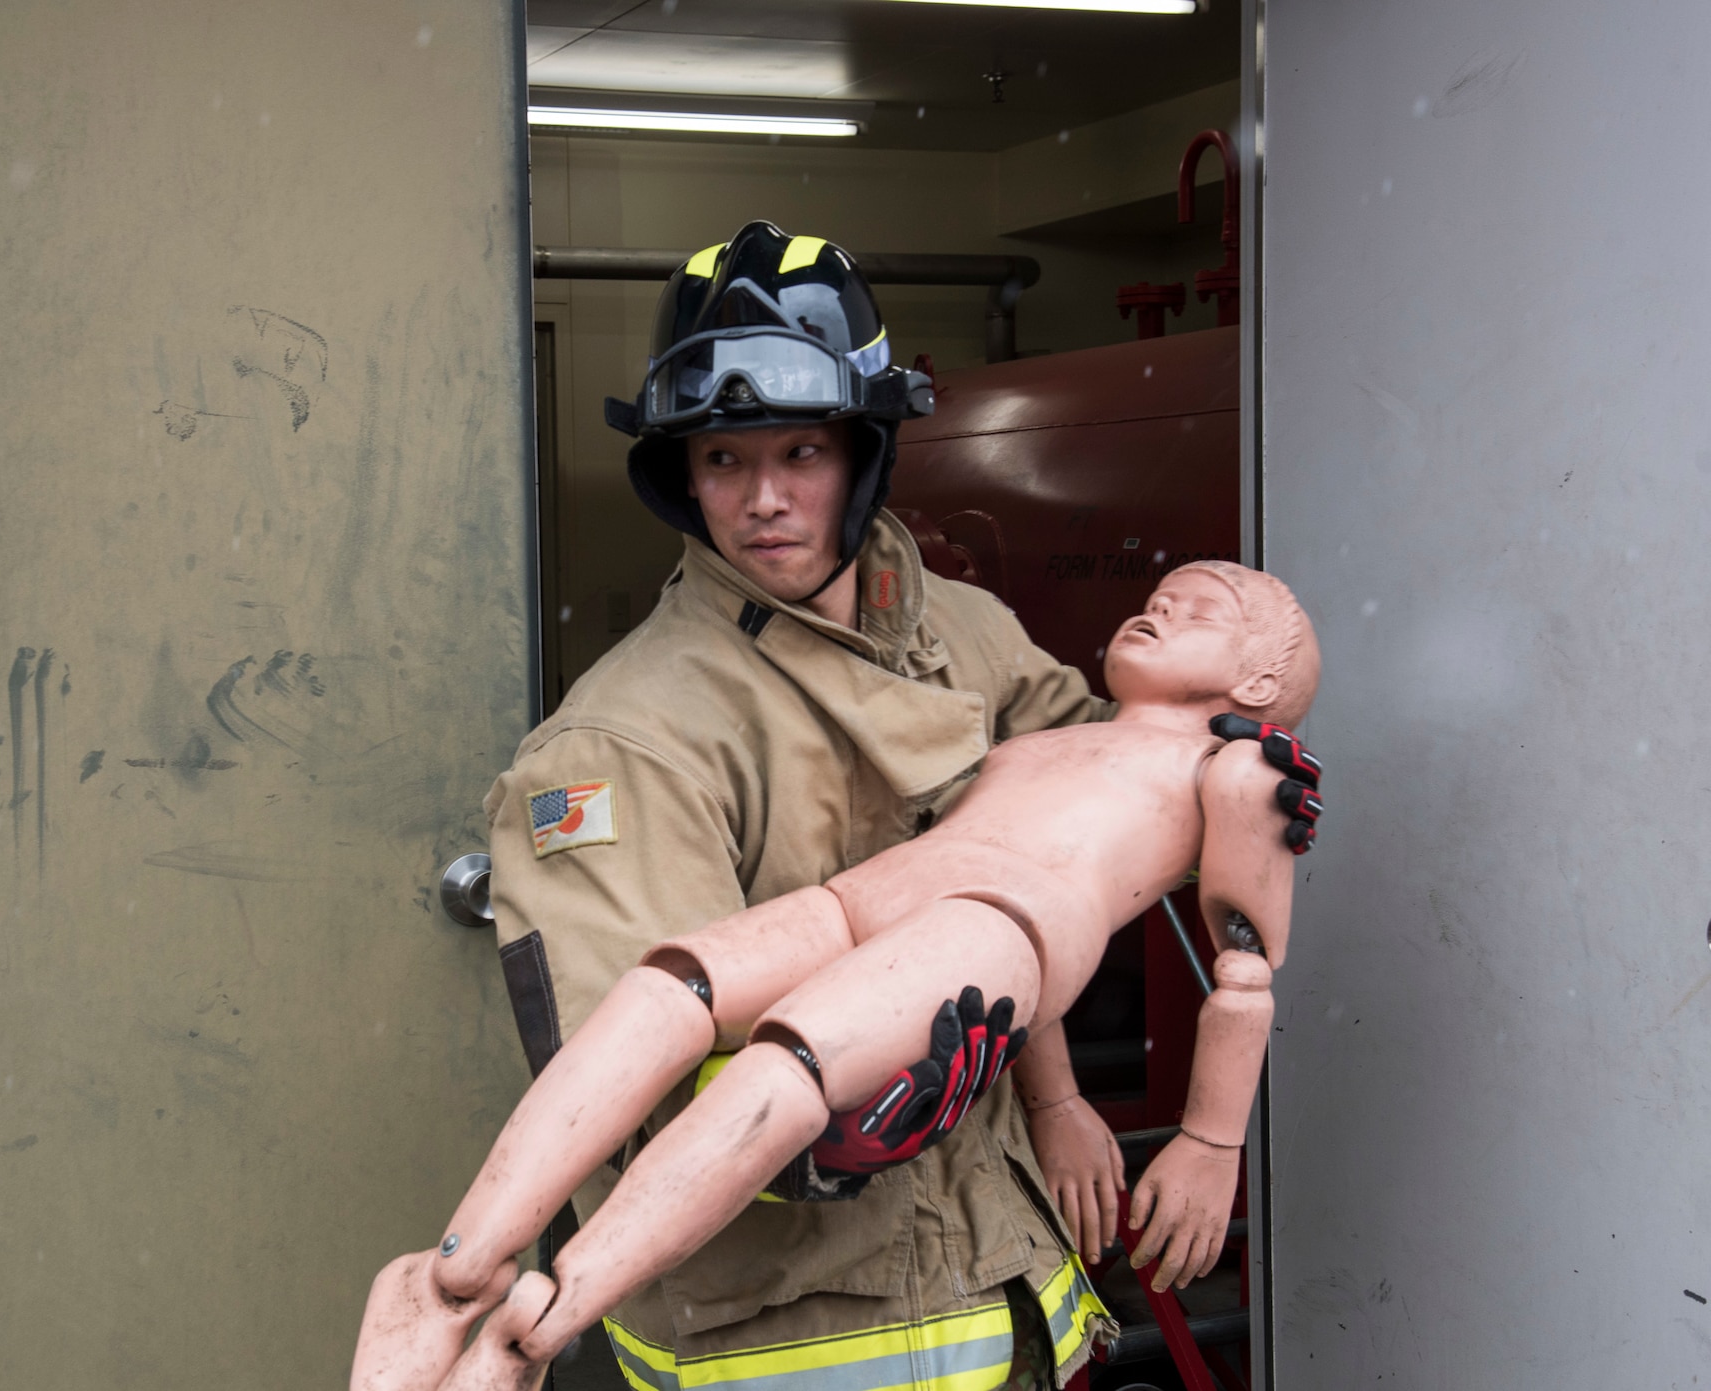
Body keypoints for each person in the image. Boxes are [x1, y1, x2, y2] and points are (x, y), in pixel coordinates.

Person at [363, 222, 1323, 1391]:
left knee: (758, 1036)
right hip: (783, 1339)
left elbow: (1105, 837)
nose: (762, 500)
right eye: (723, 459)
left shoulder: (963, 633)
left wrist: (1068, 1087)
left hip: (994, 1287)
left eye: (800, 453)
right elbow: (630, 1092)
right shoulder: (623, 741)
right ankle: (472, 1299)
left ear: (861, 452)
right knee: (675, 997)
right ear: (678, 472)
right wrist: (824, 1141)